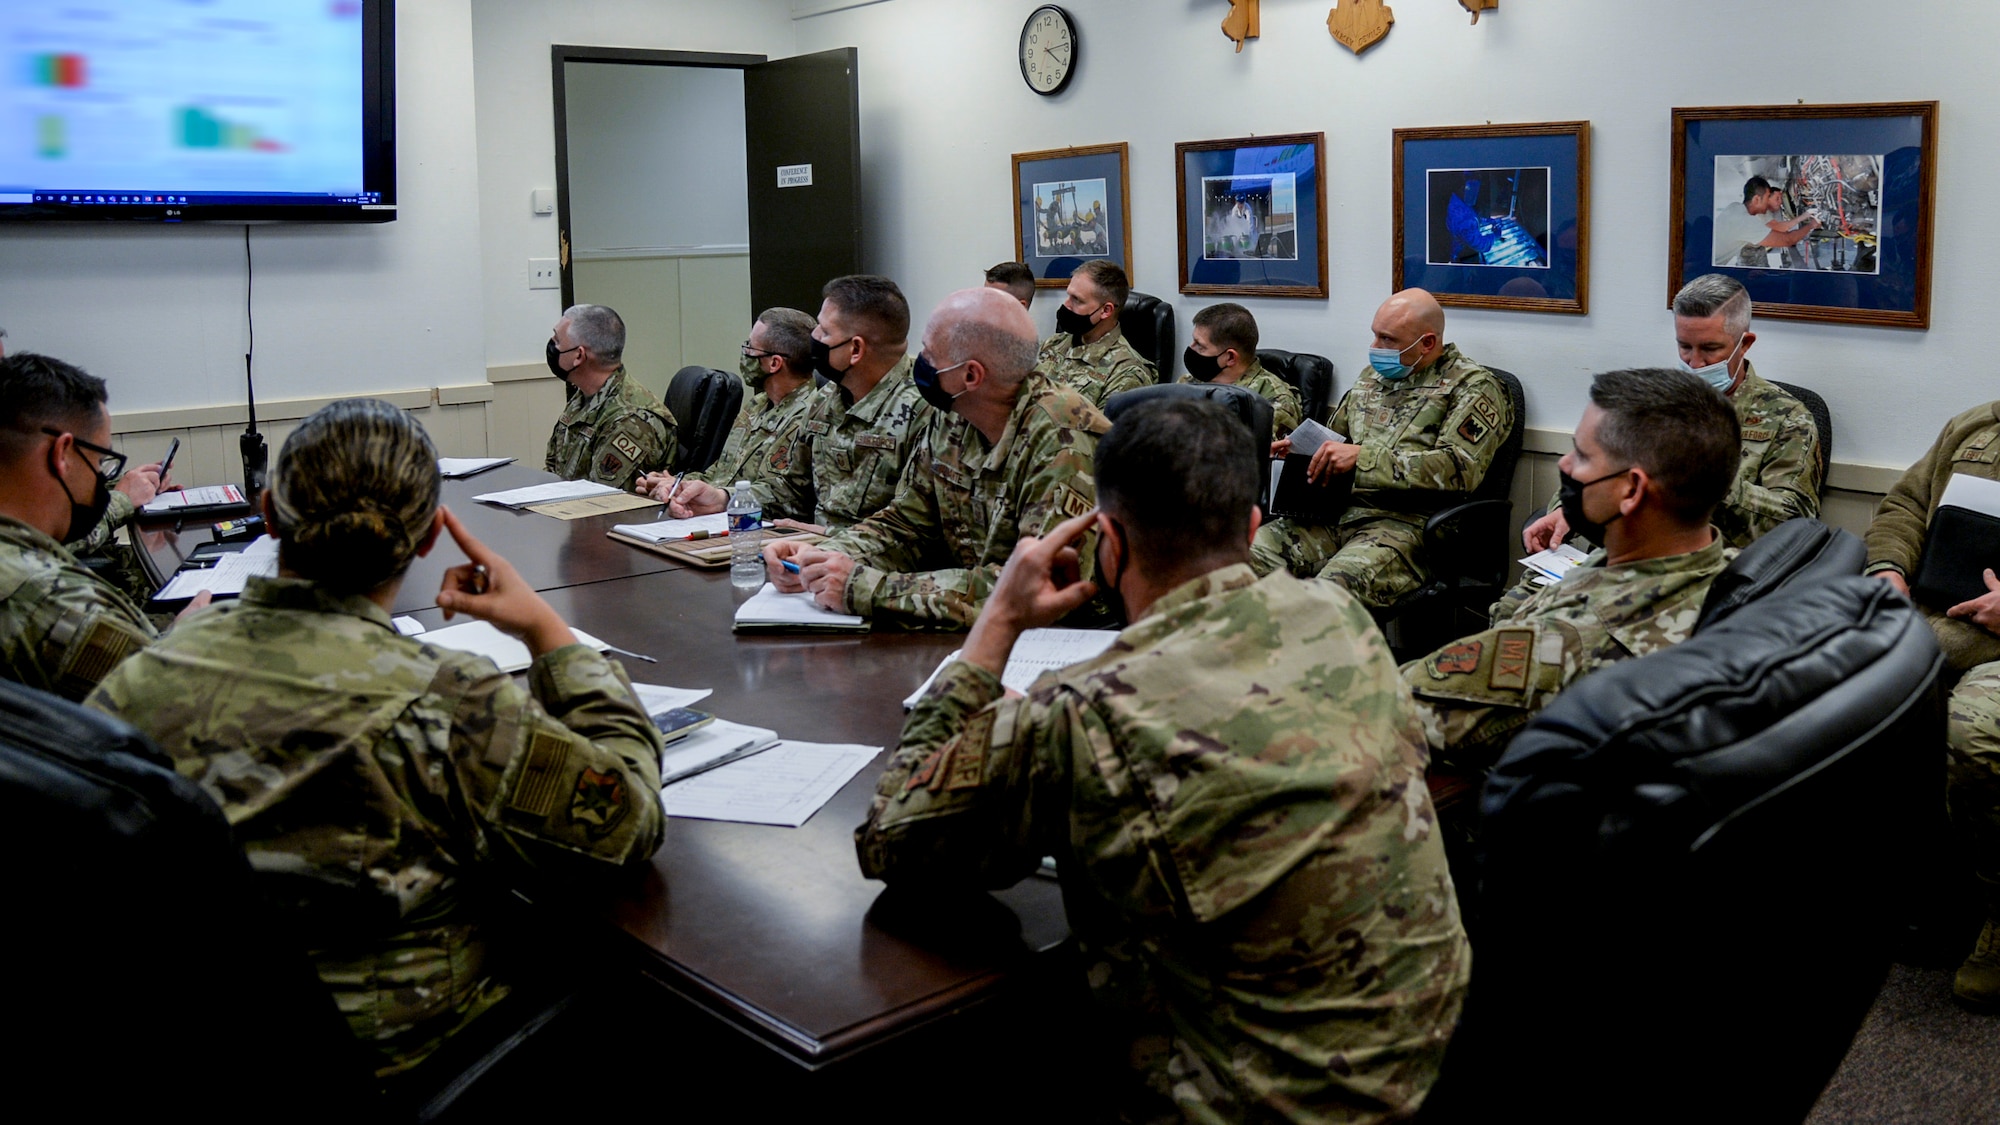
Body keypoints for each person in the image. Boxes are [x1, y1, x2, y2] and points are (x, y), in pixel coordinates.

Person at [857, 396, 1469, 1123]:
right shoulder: (1342, 618)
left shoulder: (1083, 707)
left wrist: (995, 626)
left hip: (1254, 1103)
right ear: (1252, 524)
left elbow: (893, 835)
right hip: (1421, 1061)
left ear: (1108, 542)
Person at [87, 398, 666, 1077]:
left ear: (269, 515)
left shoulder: (143, 674)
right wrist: (547, 632)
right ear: (427, 538)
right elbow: (627, 819)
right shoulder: (451, 701)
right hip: (405, 1071)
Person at [1405, 368, 1740, 764]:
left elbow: (1387, 712)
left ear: (1631, 490)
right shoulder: (1735, 571)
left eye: (1582, 455)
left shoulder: (1564, 642)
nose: (1565, 465)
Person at [765, 287, 1109, 630]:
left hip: (1069, 643)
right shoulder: (956, 412)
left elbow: (1039, 589)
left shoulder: (1064, 442)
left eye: (930, 354)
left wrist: (869, 589)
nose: (920, 363)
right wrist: (827, 559)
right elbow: (907, 522)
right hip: (974, 628)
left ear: (970, 375)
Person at [1250, 288, 1512, 608]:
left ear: (1427, 343)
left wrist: (1363, 459)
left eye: (1388, 339)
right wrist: (1300, 453)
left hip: (1406, 527)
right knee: (1240, 562)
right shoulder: (1371, 379)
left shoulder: (1473, 386)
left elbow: (1460, 469)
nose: (1375, 348)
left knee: (1327, 598)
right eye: (1375, 336)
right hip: (1336, 512)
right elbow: (1335, 441)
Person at [1864, 399, 2000, 1011]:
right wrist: (1889, 568)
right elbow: (1906, 506)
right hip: (1926, 624)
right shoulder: (1977, 427)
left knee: (1972, 732)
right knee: (1811, 695)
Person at [1525, 273, 1822, 553]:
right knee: (1520, 603)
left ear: (1744, 344)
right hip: (1613, 558)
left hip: (1714, 572)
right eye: (1684, 347)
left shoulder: (1787, 418)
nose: (1694, 362)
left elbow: (1794, 525)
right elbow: (1591, 466)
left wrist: (1709, 480)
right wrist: (1568, 511)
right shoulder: (1653, 402)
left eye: (1710, 348)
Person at [0, 352, 196, 701]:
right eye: (100, 461)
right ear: (62, 453)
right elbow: (167, 698)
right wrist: (191, 633)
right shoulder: (53, 601)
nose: (99, 478)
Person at [765, 275, 931, 535]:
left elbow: (912, 531)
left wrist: (825, 537)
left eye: (825, 331)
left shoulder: (924, 411)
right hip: (810, 551)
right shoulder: (826, 396)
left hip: (872, 565)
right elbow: (793, 489)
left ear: (856, 350)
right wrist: (724, 497)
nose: (814, 336)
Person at [635, 307, 817, 521]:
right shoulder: (757, 405)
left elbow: (791, 498)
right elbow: (720, 473)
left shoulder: (812, 416)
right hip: (721, 519)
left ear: (774, 363)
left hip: (764, 530)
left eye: (750, 347)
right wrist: (677, 485)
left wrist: (723, 498)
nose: (745, 353)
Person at [544, 303, 676, 491]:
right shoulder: (584, 398)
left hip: (611, 517)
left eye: (557, 341)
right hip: (569, 511)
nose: (552, 345)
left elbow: (603, 499)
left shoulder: (630, 420)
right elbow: (553, 470)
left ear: (579, 356)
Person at [1034, 259, 1156, 408]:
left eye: (1077, 300)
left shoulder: (1127, 372)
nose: (1066, 305)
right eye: (1069, 296)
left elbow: (1105, 430)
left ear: (1106, 311)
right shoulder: (1053, 344)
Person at [1178, 301, 1303, 434]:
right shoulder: (1188, 382)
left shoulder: (1273, 401)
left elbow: (1260, 452)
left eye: (1200, 346)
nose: (1191, 349)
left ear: (1230, 357)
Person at [1713, 175, 1821, 267]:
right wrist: (1811, 225)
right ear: (1756, 199)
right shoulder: (1745, 222)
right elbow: (1788, 240)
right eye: (1767, 197)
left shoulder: (1734, 207)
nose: (1768, 201)